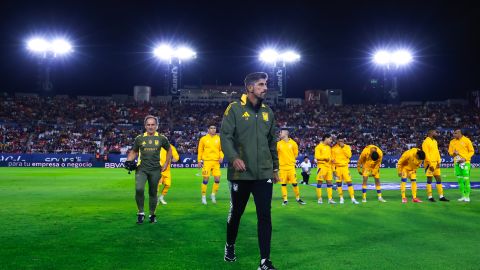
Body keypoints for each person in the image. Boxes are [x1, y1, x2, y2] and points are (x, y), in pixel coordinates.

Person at [220, 72, 279, 270]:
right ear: (250, 88)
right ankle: (230, 245)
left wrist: (276, 167)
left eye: (266, 84)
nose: (265, 88)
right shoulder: (234, 109)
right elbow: (225, 136)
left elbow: (272, 142)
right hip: (240, 174)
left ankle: (265, 261)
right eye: (261, 84)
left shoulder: (268, 112)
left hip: (263, 173)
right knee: (236, 213)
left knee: (265, 215)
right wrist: (234, 157)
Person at [125, 115, 172, 224]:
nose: (150, 127)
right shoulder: (139, 138)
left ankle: (152, 214)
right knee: (139, 189)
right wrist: (128, 160)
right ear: (145, 126)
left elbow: (169, 150)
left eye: (153, 124)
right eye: (148, 125)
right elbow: (134, 151)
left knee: (153, 192)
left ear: (156, 126)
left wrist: (166, 163)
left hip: (156, 170)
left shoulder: (162, 138)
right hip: (141, 168)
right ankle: (141, 213)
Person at [277, 129, 306, 205]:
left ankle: (298, 198)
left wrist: (290, 160)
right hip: (282, 167)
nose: (279, 133)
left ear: (286, 134)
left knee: (294, 183)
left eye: (281, 132)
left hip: (291, 167)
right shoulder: (278, 144)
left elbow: (295, 154)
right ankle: (285, 200)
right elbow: (276, 154)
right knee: (283, 184)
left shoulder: (293, 143)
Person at [197, 125, 224, 204]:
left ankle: (213, 195)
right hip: (207, 162)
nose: (213, 129)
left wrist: (221, 157)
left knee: (217, 180)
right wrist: (199, 161)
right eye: (211, 128)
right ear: (208, 130)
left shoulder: (219, 139)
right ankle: (203, 196)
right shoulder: (203, 139)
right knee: (205, 180)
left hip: (216, 162)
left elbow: (221, 150)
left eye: (214, 128)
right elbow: (200, 150)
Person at [422, 130, 449, 202]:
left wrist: (438, 162)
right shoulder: (425, 142)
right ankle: (430, 196)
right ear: (430, 133)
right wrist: (430, 164)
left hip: (436, 164)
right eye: (435, 132)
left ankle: (441, 196)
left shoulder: (435, 141)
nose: (437, 133)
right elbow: (425, 154)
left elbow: (437, 152)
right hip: (429, 164)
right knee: (429, 180)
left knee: (439, 179)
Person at [448, 129, 475, 202]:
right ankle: (463, 196)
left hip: (465, 162)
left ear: (460, 133)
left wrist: (465, 158)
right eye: (453, 133)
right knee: (460, 180)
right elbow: (450, 152)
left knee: (466, 179)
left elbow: (472, 151)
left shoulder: (467, 140)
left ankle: (467, 196)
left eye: (455, 133)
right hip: (457, 163)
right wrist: (453, 153)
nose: (454, 135)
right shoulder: (452, 142)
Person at [331, 137, 359, 204]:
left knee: (349, 183)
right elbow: (332, 161)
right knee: (339, 184)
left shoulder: (347, 147)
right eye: (339, 141)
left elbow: (349, 156)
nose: (341, 142)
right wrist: (333, 171)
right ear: (337, 141)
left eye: (342, 141)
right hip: (337, 168)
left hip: (345, 168)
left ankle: (352, 198)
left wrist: (343, 147)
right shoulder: (333, 148)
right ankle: (341, 198)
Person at [314, 134, 336, 204]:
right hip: (321, 167)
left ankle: (330, 199)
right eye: (330, 139)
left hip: (328, 167)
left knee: (329, 182)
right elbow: (317, 157)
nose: (331, 140)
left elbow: (329, 157)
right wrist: (325, 158)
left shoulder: (329, 148)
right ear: (326, 138)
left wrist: (332, 160)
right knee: (319, 182)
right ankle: (319, 198)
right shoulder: (318, 147)